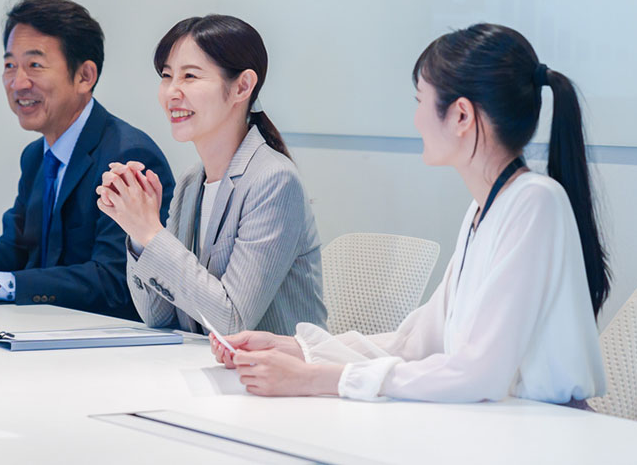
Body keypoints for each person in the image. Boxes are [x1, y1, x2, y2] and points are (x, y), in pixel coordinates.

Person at [212, 23, 609, 406]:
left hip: (546, 436)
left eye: (420, 101)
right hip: (503, 428)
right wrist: (299, 349)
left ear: (461, 116)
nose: (416, 118)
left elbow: (477, 374)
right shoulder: (486, 208)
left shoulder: (535, 202)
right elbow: (418, 342)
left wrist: (317, 378)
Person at [96, 15, 326, 336]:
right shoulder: (192, 182)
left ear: (242, 86)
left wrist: (151, 232)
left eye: (190, 76)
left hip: (275, 380)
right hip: (205, 369)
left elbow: (231, 323)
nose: (172, 92)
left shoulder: (274, 180)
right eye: (166, 76)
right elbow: (157, 316)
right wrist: (138, 235)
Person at [0, 0, 175, 320]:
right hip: (45, 333)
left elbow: (114, 279)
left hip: (111, 349)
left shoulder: (128, 156)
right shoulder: (35, 157)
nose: (18, 83)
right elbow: (13, 250)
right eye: (9, 66)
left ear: (85, 77)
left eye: (35, 65)